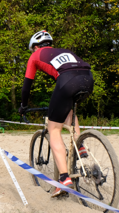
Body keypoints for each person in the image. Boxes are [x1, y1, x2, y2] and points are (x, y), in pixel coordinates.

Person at [18, 30, 94, 197]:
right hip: (88, 78)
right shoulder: (65, 51)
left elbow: (26, 86)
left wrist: (23, 105)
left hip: (68, 80)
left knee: (54, 129)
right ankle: (80, 146)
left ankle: (64, 179)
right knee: (70, 112)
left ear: (36, 46)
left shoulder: (36, 55)